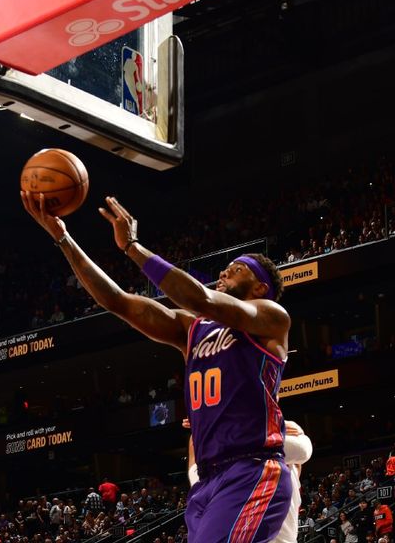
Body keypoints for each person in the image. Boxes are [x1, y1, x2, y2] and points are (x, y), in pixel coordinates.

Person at [22, 193, 292, 543]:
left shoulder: (271, 317)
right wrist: (63, 238)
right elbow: (118, 302)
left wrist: (132, 247)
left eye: (237, 269)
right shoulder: (190, 329)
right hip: (208, 480)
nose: (225, 271)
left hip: (252, 468)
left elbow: (201, 298)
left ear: (260, 287)